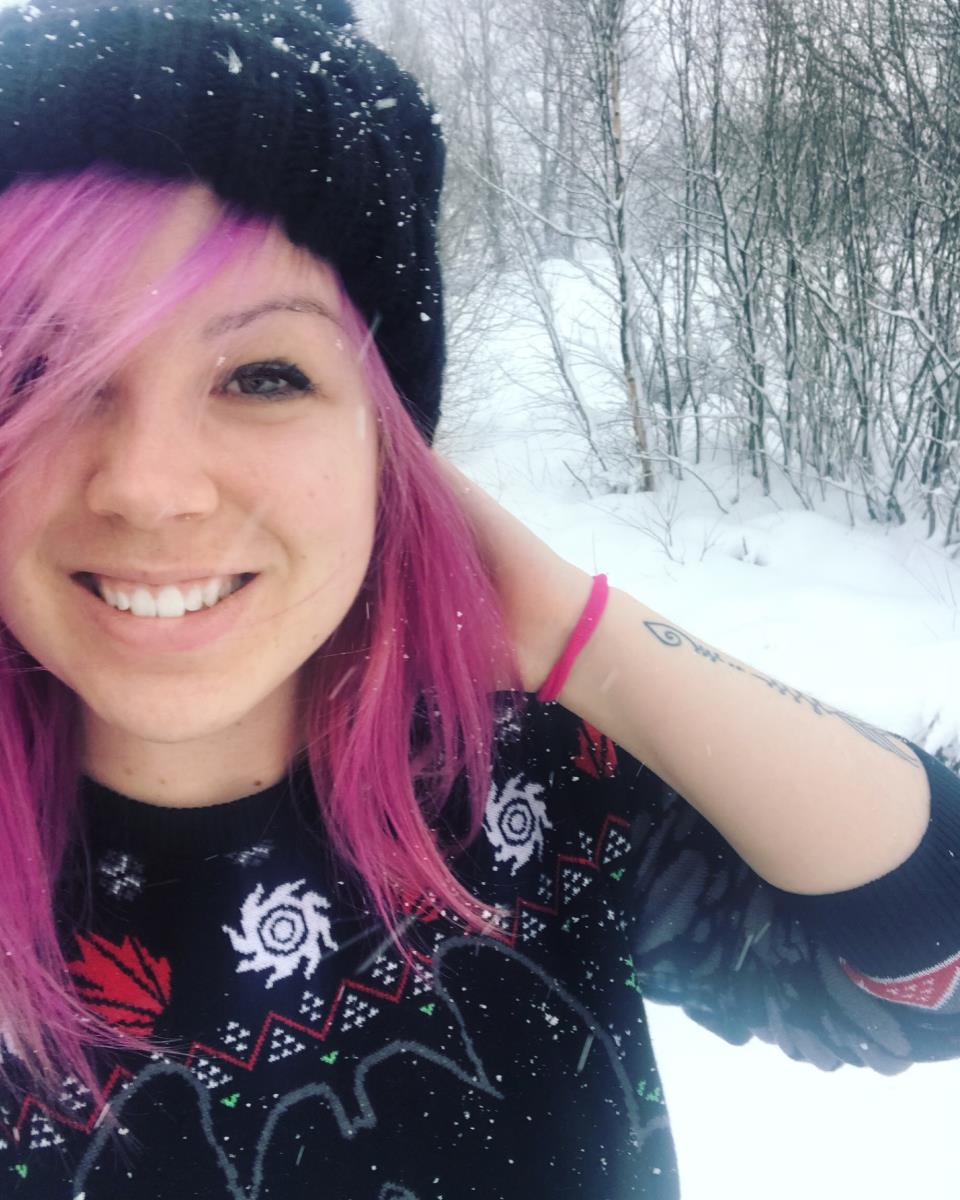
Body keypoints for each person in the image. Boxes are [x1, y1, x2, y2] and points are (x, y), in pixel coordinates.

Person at [0, 2, 956, 1197]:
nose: (147, 486)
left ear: (389, 445)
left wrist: (573, 631)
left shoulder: (522, 785)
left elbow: (928, 977)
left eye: (265, 375)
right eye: (37, 368)